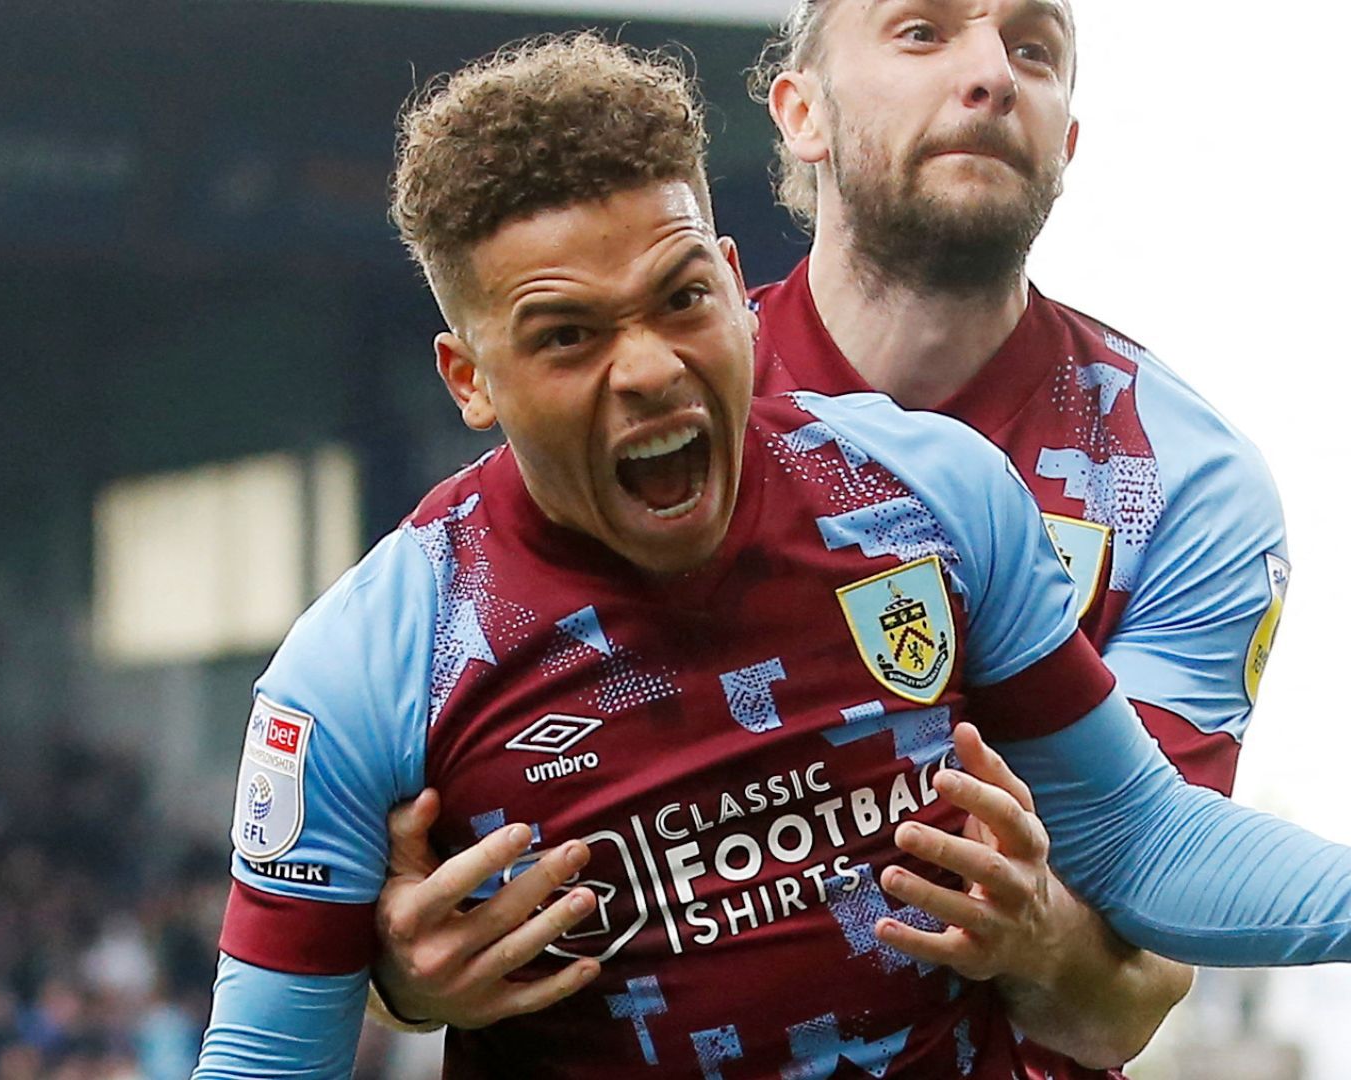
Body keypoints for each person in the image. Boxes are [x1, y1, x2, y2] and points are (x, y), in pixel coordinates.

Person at [192, 34, 1351, 1080]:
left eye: (685, 297)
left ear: (732, 283)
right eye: (567, 335)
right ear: (469, 376)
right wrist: (382, 973)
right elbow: (266, 1065)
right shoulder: (365, 669)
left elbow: (1139, 841)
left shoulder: (929, 494)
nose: (648, 370)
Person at [368, 1, 1259, 1072]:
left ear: (1068, 141)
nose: (990, 75)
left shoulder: (1179, 482)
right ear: (799, 109)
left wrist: (1034, 935)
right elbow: (397, 899)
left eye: (1033, 47)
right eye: (922, 31)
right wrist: (393, 974)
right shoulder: (640, 381)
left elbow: (1130, 991)